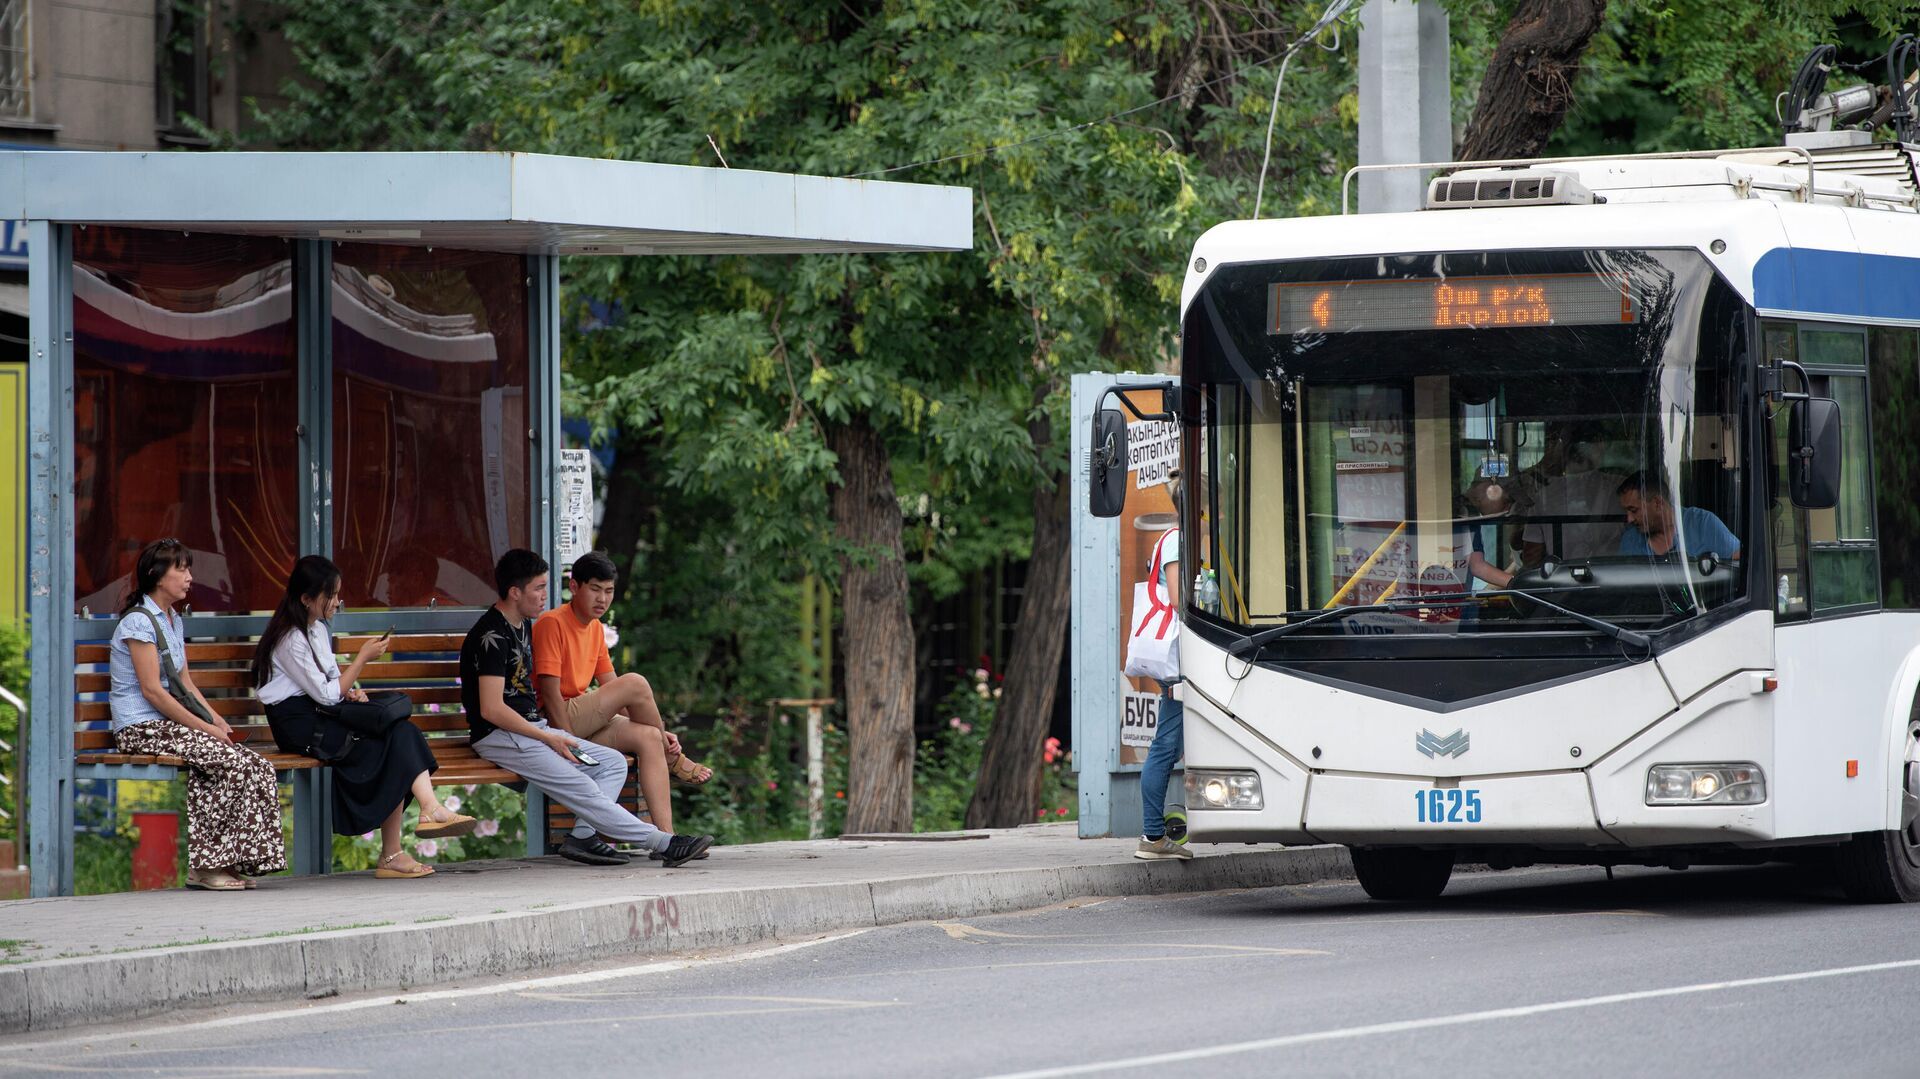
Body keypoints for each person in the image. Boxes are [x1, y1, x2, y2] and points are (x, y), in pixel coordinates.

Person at [463, 548, 714, 868]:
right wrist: (552, 737)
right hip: (502, 734)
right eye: (538, 588)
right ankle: (664, 842)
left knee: (611, 764)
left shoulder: (522, 624)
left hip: (532, 730)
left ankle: (582, 837)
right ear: (515, 592)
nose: (545, 595)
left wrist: (549, 734)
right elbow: (491, 709)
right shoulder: (491, 636)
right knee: (582, 784)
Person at [253, 555, 478, 880]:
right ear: (306, 599)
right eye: (329, 595)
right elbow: (325, 693)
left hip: (321, 713)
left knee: (401, 732)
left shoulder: (315, 628)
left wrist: (350, 692)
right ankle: (404, 840)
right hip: (299, 726)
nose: (336, 602)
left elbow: (331, 683)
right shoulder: (289, 639)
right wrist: (362, 659)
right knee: (391, 746)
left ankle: (421, 821)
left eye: (337, 594)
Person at [108, 539, 286, 891]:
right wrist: (204, 727)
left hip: (169, 726)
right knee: (223, 760)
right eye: (182, 569)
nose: (189, 577)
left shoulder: (172, 619)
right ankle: (207, 866)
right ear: (157, 576)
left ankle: (232, 861)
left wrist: (216, 720)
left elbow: (184, 681)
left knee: (255, 764)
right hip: (140, 727)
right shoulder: (137, 623)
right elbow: (153, 691)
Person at [532, 552, 710, 851]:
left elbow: (612, 688)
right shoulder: (552, 623)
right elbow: (549, 694)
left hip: (582, 715)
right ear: (574, 587)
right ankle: (673, 760)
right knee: (636, 682)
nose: (603, 599)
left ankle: (666, 839)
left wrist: (658, 729)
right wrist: (565, 740)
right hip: (555, 720)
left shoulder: (595, 629)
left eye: (609, 591)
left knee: (649, 735)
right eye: (595, 589)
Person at [1134, 522, 1189, 862]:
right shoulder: (1176, 540)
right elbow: (1175, 596)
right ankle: (1153, 834)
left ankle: (1161, 827)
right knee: (1166, 745)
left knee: (1174, 743)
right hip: (1177, 659)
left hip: (1175, 659)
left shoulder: (1176, 538)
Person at [1516, 424, 1624, 564]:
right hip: (1565, 581)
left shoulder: (1621, 489)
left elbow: (1531, 558)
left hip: (1612, 578)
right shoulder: (1543, 497)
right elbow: (1531, 556)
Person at [1617, 472, 1741, 560]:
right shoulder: (1630, 540)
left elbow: (1739, 559)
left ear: (1657, 503)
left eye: (1634, 510)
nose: (1629, 519)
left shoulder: (1702, 524)